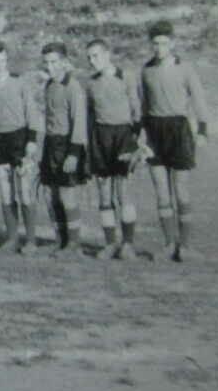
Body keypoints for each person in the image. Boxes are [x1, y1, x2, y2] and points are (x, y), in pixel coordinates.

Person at [139, 19, 210, 261]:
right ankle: (169, 244)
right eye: (155, 43)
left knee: (181, 189)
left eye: (164, 43)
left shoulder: (185, 68)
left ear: (172, 44)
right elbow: (143, 107)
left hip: (178, 130)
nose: (159, 48)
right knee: (161, 191)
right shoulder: (146, 70)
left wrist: (202, 130)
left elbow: (199, 99)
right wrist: (142, 137)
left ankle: (186, 246)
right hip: (154, 132)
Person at [0, 40, 41, 254]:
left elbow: (32, 113)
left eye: (2, 60)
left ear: (7, 60)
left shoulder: (20, 82)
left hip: (20, 138)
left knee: (24, 190)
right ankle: (12, 238)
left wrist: (31, 141)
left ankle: (30, 240)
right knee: (5, 192)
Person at [85, 39, 142, 260]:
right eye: (89, 57)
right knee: (104, 192)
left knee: (123, 192)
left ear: (107, 54)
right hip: (100, 137)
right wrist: (90, 146)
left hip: (123, 136)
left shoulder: (125, 76)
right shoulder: (90, 83)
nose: (92, 61)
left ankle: (127, 244)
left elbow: (137, 110)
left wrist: (135, 142)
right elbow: (90, 115)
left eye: (96, 56)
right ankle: (110, 243)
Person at [39, 42, 89, 257]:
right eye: (47, 62)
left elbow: (79, 121)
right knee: (50, 194)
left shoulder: (73, 87)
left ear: (64, 62)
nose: (50, 66)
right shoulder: (49, 85)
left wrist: (74, 153)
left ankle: (74, 244)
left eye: (54, 62)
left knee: (68, 195)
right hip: (51, 144)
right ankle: (61, 240)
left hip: (68, 145)